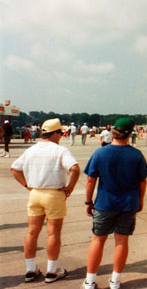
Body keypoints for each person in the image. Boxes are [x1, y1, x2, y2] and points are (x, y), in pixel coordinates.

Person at [81, 118, 147, 289]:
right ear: (129, 133)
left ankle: (89, 282)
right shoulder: (136, 154)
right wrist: (140, 201)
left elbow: (90, 180)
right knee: (121, 242)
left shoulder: (100, 153)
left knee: (97, 240)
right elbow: (142, 181)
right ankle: (115, 281)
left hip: (104, 203)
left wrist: (88, 201)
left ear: (113, 132)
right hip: (127, 204)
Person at [10, 118, 80, 283]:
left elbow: (14, 168)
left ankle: (30, 269)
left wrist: (26, 185)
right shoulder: (60, 150)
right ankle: (52, 270)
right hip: (54, 194)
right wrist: (70, 187)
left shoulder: (32, 149)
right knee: (53, 233)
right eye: (61, 133)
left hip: (35, 193)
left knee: (32, 232)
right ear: (55, 133)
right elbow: (75, 169)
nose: (62, 136)